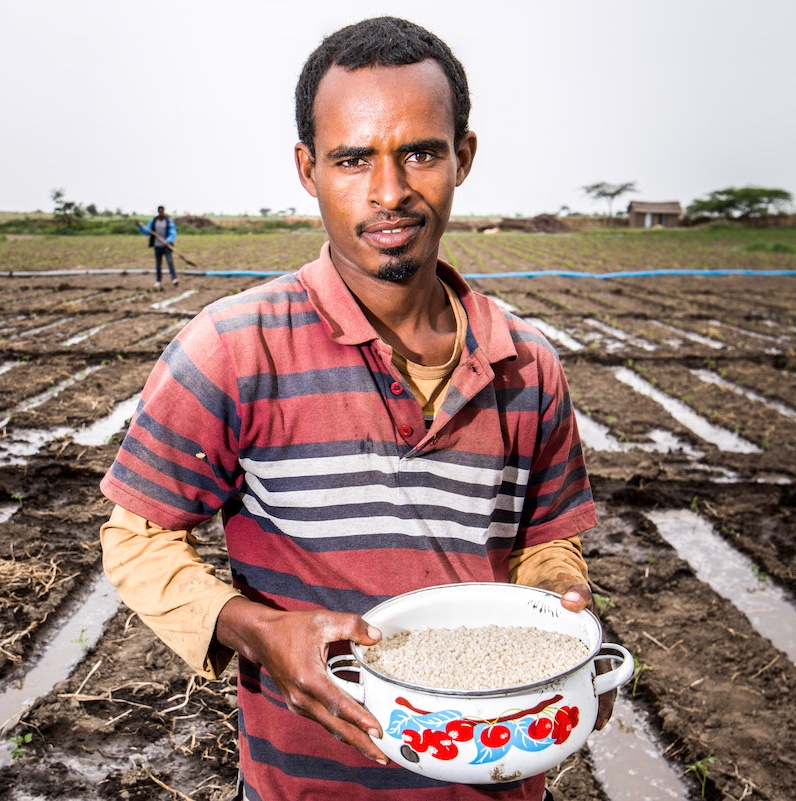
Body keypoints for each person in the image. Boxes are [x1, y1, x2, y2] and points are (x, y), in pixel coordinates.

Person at [100, 17, 608, 801]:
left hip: (493, 777)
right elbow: (138, 540)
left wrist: (562, 613)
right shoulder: (233, 350)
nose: (389, 191)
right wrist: (261, 632)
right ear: (308, 168)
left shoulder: (527, 364)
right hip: (302, 787)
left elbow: (546, 542)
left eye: (420, 153)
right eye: (351, 159)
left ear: (462, 156)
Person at [137, 205, 179, 288]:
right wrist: (140, 226)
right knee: (158, 264)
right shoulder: (154, 221)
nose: (161, 213)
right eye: (160, 211)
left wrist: (168, 240)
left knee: (170, 262)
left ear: (164, 211)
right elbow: (148, 231)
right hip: (157, 246)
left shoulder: (168, 221)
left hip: (166, 246)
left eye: (162, 211)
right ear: (158, 212)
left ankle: (174, 279)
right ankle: (158, 281)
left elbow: (173, 232)